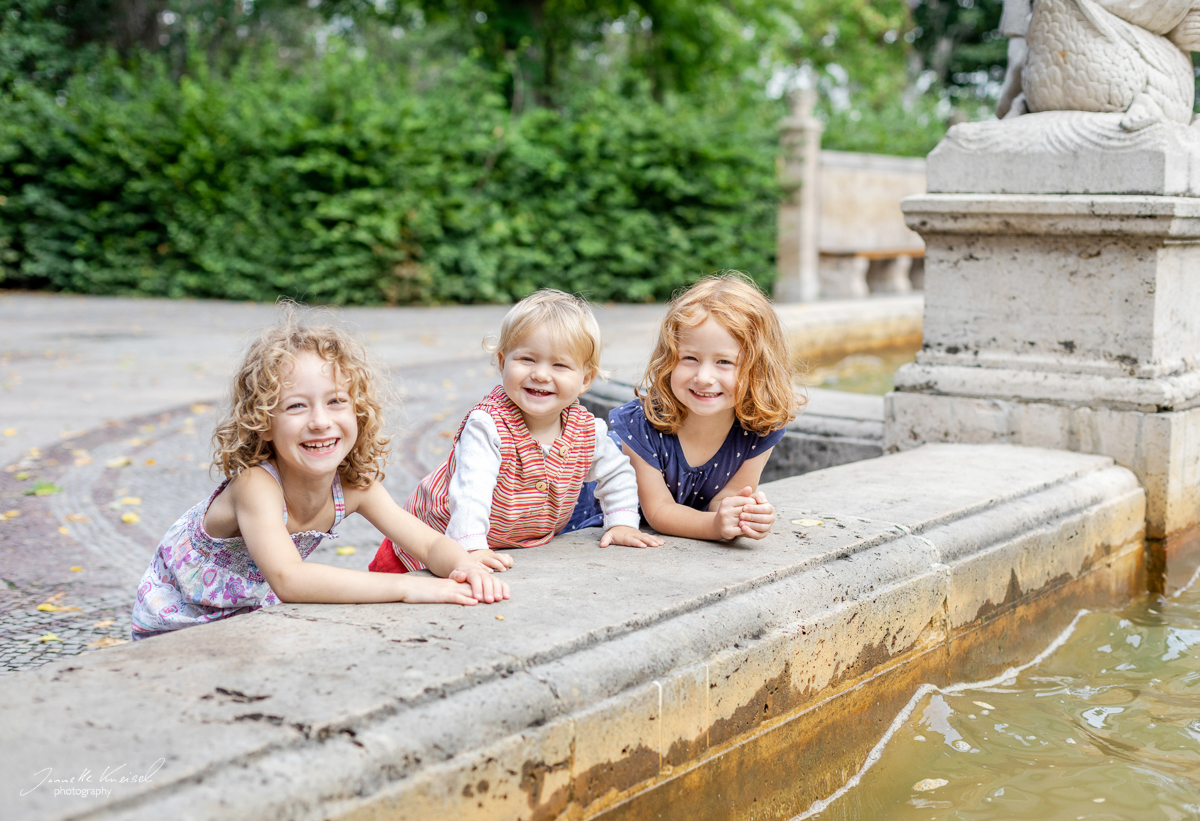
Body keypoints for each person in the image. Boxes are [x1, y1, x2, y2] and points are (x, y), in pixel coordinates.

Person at [131, 310, 508, 640]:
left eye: (336, 402)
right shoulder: (255, 484)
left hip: (248, 613)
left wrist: (463, 565)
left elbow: (426, 544)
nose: (320, 422)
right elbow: (289, 579)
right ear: (263, 423)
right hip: (179, 624)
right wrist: (407, 587)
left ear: (357, 412)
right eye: (296, 406)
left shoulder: (353, 487)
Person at [369, 289, 662, 574]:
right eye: (527, 359)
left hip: (511, 541)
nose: (541, 374)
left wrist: (621, 521)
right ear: (502, 362)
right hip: (428, 541)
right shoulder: (488, 425)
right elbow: (471, 492)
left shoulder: (586, 430)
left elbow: (617, 472)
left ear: (585, 379)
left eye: (559, 365)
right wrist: (470, 548)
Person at [569, 273, 799, 541]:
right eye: (689, 358)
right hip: (592, 517)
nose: (703, 377)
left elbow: (724, 499)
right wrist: (715, 527)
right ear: (669, 359)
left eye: (724, 362)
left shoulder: (759, 429)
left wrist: (742, 515)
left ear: (758, 368)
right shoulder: (642, 423)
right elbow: (658, 511)